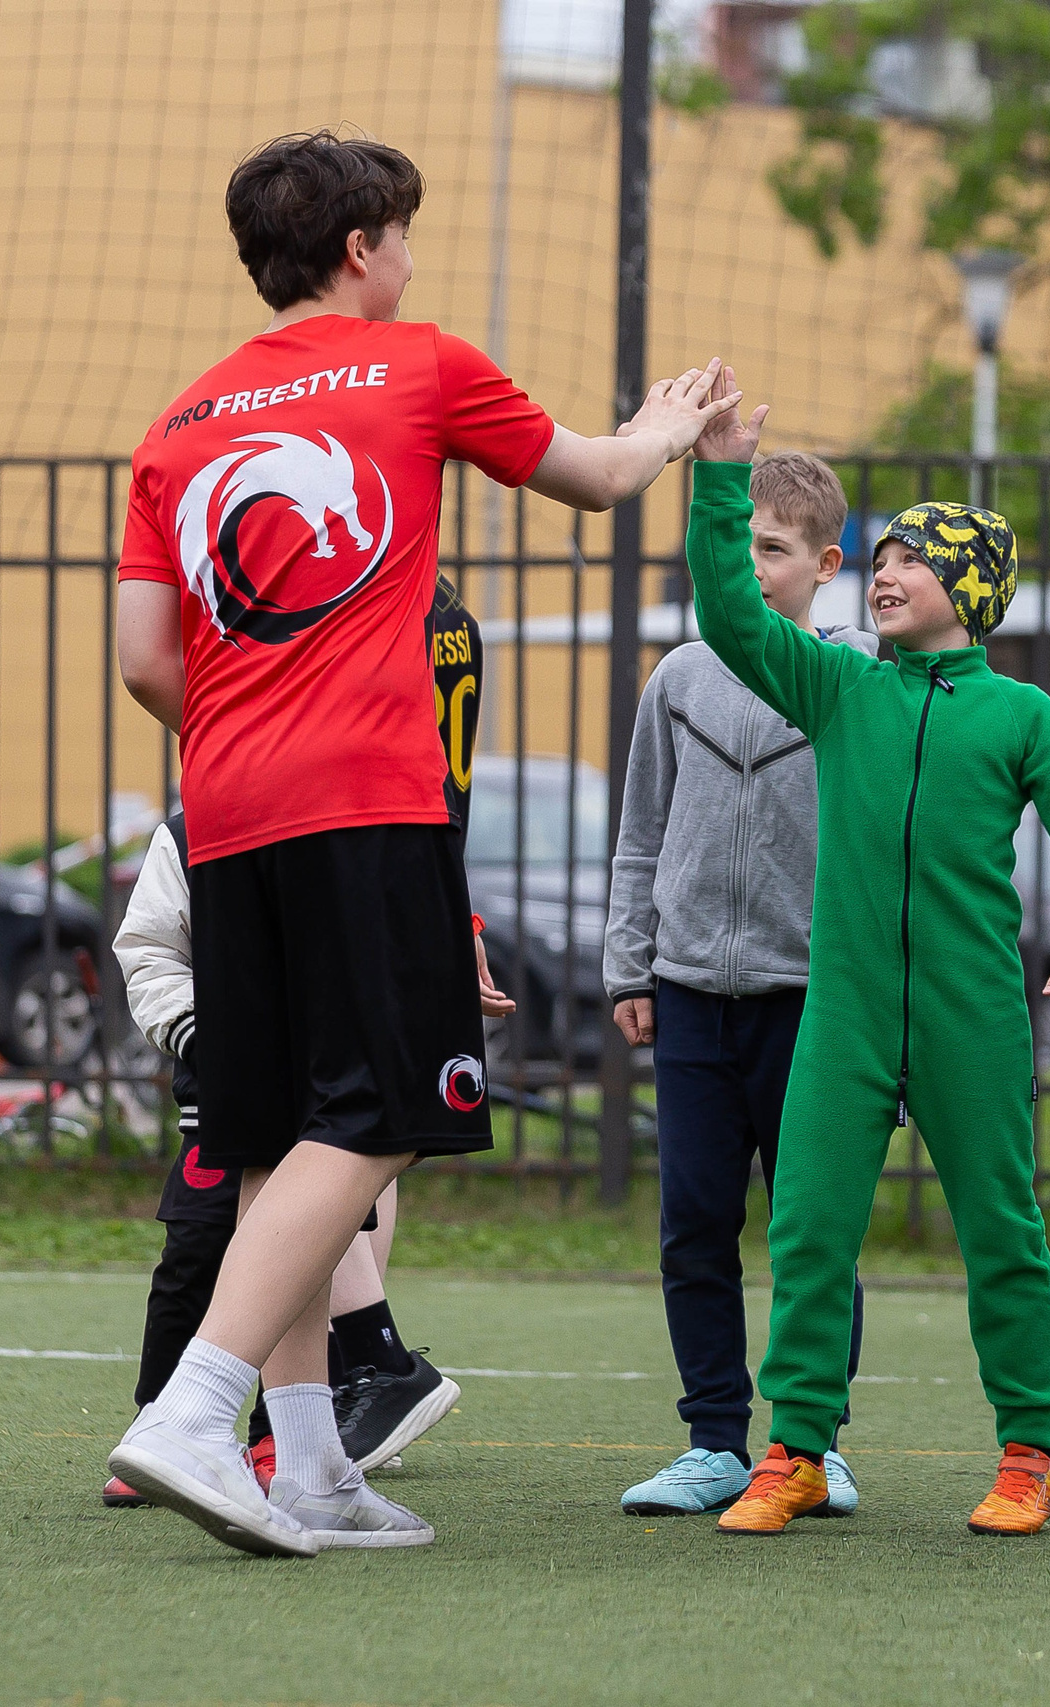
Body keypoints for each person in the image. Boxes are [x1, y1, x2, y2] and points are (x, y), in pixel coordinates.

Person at [106, 129, 734, 1557]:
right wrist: (668, 423)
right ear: (358, 250)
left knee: (269, 1123)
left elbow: (148, 661)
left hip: (228, 804)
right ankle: (200, 1405)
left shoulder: (181, 419)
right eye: (402, 234)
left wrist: (256, 716)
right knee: (384, 1110)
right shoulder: (421, 363)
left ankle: (312, 1461)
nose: (410, 258)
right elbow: (592, 478)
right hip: (363, 799)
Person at [682, 371, 1050, 1537]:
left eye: (911, 563)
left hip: (971, 1013)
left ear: (970, 592)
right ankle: (791, 1451)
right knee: (808, 1229)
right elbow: (733, 612)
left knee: (1000, 1230)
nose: (883, 575)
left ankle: (1028, 1452)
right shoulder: (836, 684)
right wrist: (720, 475)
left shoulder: (1022, 716)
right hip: (842, 1010)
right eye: (878, 560)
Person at [101, 575, 507, 1511]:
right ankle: (304, 1423)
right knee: (346, 1141)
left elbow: (154, 669)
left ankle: (328, 1375)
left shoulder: (357, 607)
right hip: (376, 864)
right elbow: (438, 778)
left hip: (335, 850)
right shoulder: (431, 611)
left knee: (322, 1140)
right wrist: (447, 908)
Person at [605, 451, 877, 1518]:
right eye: (739, 546)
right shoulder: (676, 679)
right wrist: (631, 963)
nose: (753, 567)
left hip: (809, 998)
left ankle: (810, 1440)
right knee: (694, 1221)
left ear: (823, 562)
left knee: (815, 1226)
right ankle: (716, 1440)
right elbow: (640, 837)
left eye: (772, 550)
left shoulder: (856, 675)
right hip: (686, 996)